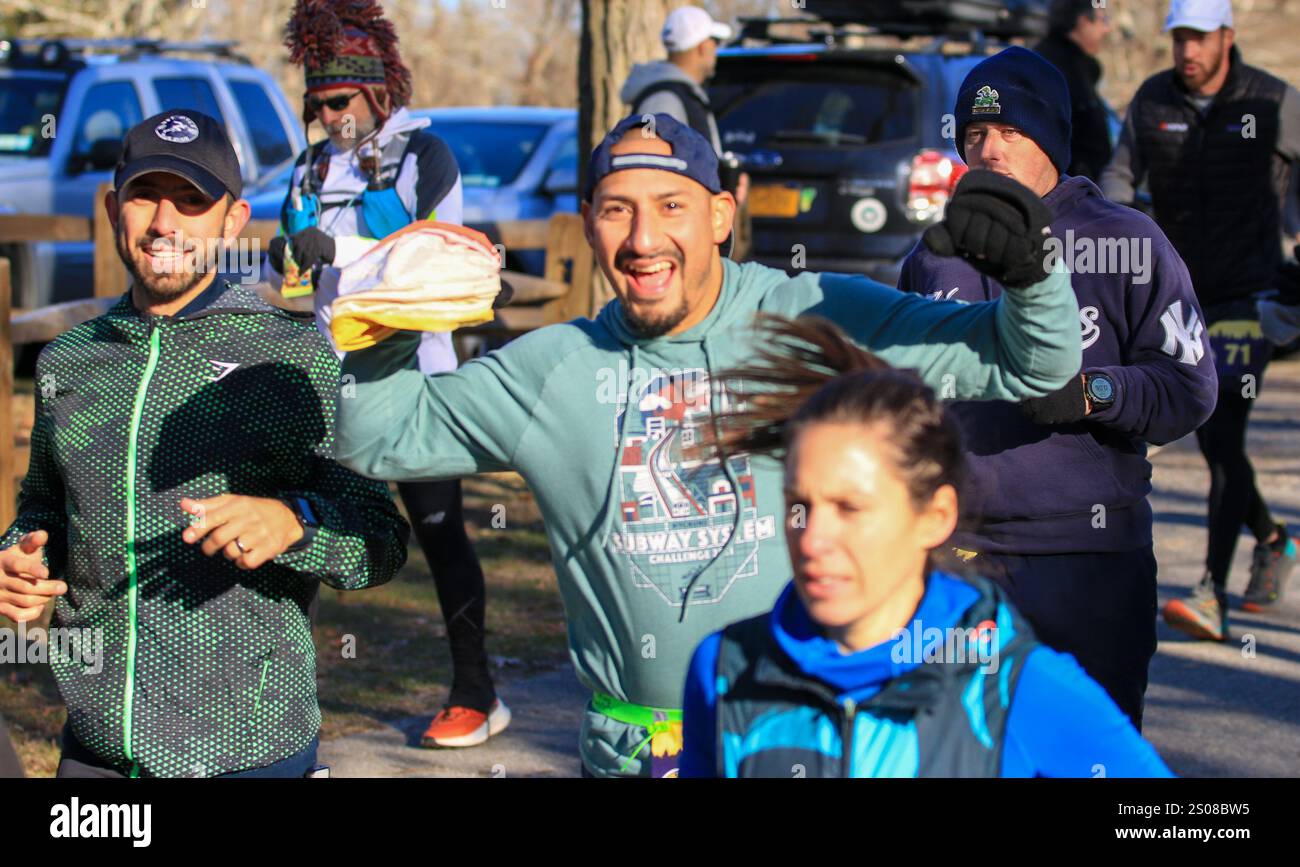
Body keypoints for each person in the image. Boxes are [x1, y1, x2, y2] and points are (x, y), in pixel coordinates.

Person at [333, 112, 1085, 777]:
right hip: (631, 751)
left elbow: (1029, 362)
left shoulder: (817, 319)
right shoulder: (552, 370)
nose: (644, 239)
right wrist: (389, 311)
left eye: (671, 207)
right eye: (617, 211)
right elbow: (379, 437)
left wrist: (1032, 274)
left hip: (809, 733)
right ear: (590, 221)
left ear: (722, 215)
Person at [0, 109, 408, 777]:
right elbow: (44, 508)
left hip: (249, 753)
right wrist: (16, 558)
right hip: (97, 753)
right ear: (112, 208)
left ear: (234, 219)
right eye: (145, 196)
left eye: (193, 201)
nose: (166, 223)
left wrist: (294, 523)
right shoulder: (69, 360)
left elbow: (382, 536)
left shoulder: (296, 356)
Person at [678, 316, 1172, 777]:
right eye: (799, 506)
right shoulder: (723, 670)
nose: (813, 538)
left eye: (851, 508)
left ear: (935, 517)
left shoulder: (1015, 685)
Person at [899, 46, 1217, 729]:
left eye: (1011, 131)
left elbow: (1189, 389)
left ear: (1050, 139)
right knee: (955, 756)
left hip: (1090, 560)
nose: (989, 150)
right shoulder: (932, 256)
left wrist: (1095, 391)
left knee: (1088, 753)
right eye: (975, 134)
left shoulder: (1128, 241)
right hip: (958, 559)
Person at [273, 0, 509, 747]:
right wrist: (292, 247)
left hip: (415, 376)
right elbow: (287, 249)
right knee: (294, 536)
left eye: (340, 100)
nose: (330, 115)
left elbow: (433, 254)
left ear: (377, 92)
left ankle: (477, 691)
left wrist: (334, 250)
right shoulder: (312, 163)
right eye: (317, 104)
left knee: (440, 533)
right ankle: (278, 710)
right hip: (325, 373)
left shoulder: (425, 156)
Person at [1102, 0, 1300, 639]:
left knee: (1220, 436)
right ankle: (1273, 538)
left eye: (1198, 38)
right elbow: (1121, 182)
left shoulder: (1273, 100)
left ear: (1227, 38)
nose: (1186, 50)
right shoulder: (1152, 100)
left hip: (1253, 296)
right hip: (1181, 296)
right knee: (1218, 441)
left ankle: (1209, 592)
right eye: (1179, 37)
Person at [622, 5, 750, 257]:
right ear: (702, 47)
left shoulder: (683, 95)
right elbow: (654, 174)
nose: (716, 50)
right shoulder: (664, 98)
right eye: (714, 42)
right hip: (677, 240)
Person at [1034, 0, 1115, 181]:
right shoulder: (1049, 67)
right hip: (1063, 194)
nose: (1107, 30)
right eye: (1103, 20)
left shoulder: (1081, 65)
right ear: (1083, 21)